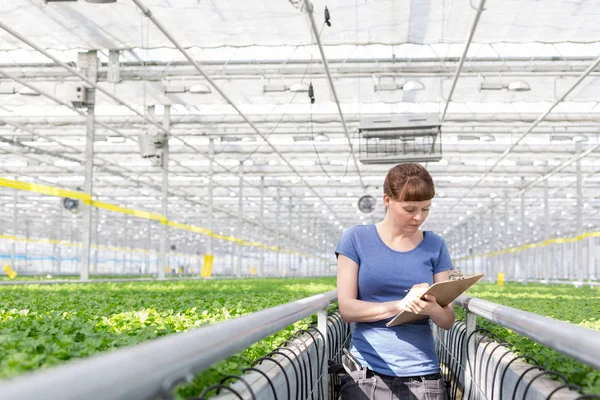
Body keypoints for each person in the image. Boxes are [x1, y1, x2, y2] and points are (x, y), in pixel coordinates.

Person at [335, 163, 454, 400]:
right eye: (410, 209)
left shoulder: (435, 245)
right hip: (367, 373)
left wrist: (431, 307)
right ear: (387, 200)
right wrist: (402, 304)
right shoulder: (355, 239)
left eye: (426, 209)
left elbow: (448, 319)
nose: (418, 217)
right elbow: (347, 309)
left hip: (423, 377)